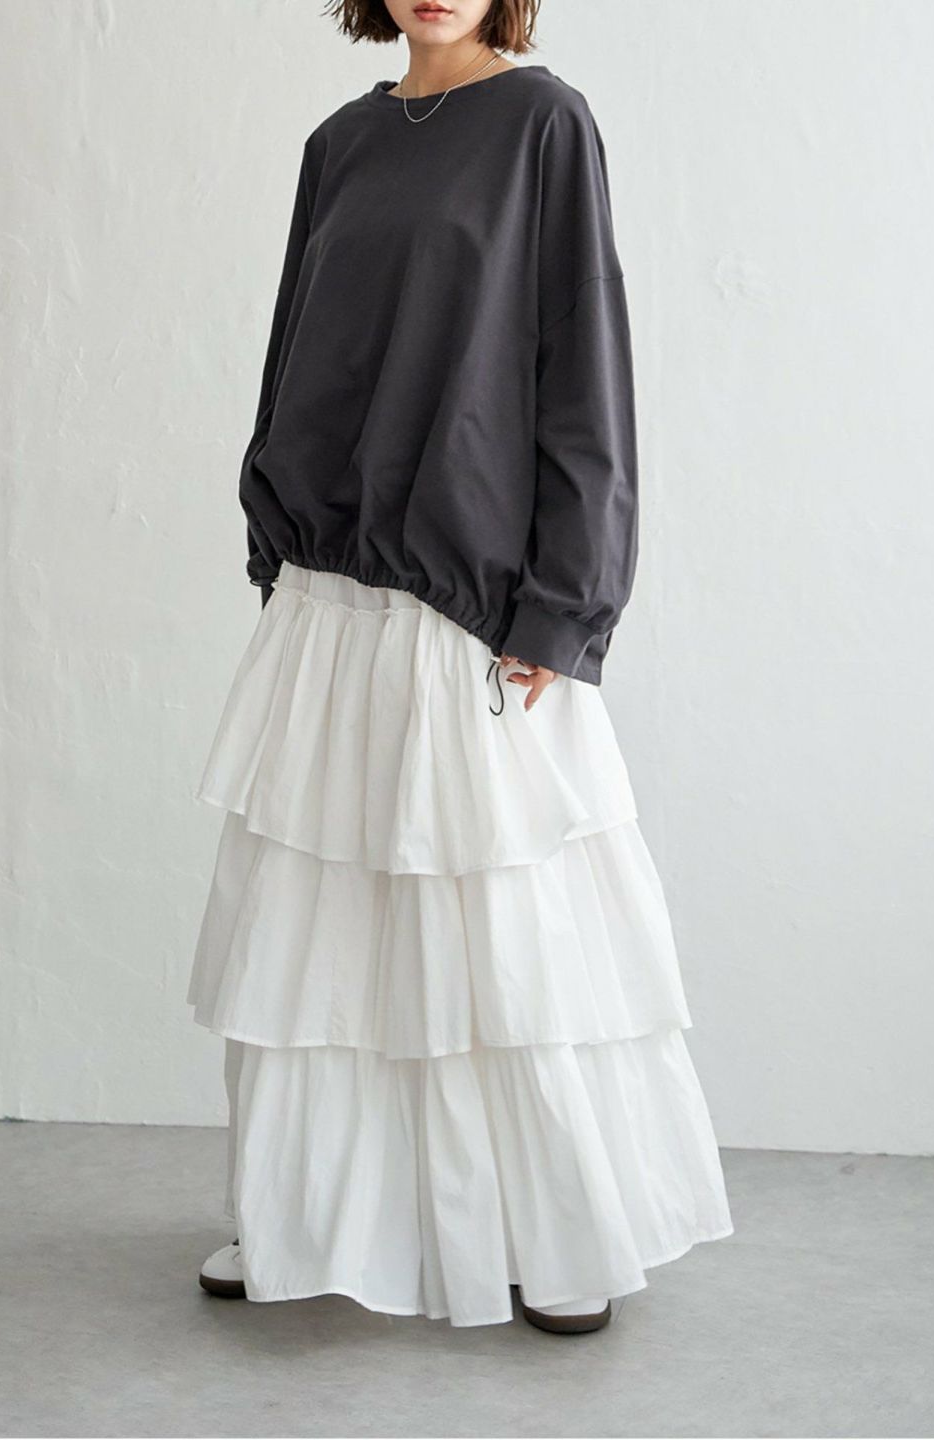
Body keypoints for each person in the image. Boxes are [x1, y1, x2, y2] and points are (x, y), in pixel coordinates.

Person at [186, 0, 733, 1335]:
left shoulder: (544, 122)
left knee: (499, 926)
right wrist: (274, 537)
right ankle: (304, 1219)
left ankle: (552, 1234)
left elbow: (582, 365)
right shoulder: (340, 141)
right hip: (330, 589)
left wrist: (563, 605)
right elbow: (294, 350)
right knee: (321, 930)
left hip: (467, 605)